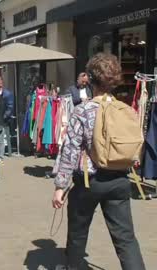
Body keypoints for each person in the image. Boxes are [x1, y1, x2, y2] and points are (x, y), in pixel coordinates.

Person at [52, 53, 146, 269]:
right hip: (121, 179)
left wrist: (60, 186)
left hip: (89, 181)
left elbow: (71, 151)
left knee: (78, 232)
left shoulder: (82, 111)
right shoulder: (125, 109)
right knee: (126, 239)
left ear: (91, 80)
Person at [0, 76, 14, 162]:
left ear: (1, 83)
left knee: (0, 137)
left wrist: (3, 117)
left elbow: (10, 108)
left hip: (3, 119)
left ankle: (0, 156)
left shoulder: (7, 94)